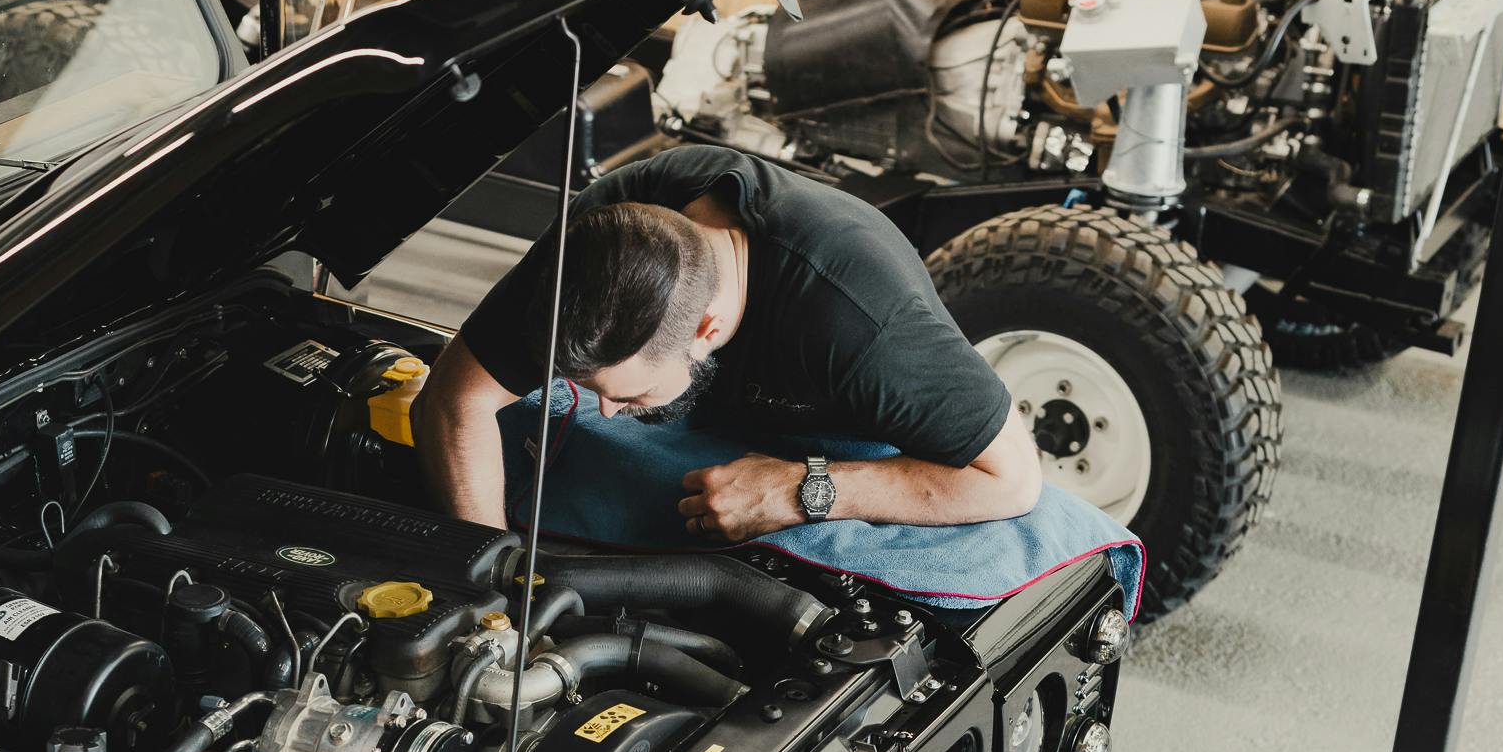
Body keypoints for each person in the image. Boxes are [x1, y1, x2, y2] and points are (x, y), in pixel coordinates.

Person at [413, 144, 1042, 543]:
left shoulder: (861, 323)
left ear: (706, 329)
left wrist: (800, 489)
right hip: (717, 425)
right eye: (589, 386)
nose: (606, 412)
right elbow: (453, 400)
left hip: (841, 440)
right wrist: (484, 579)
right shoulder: (600, 240)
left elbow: (1012, 480)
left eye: (625, 394)